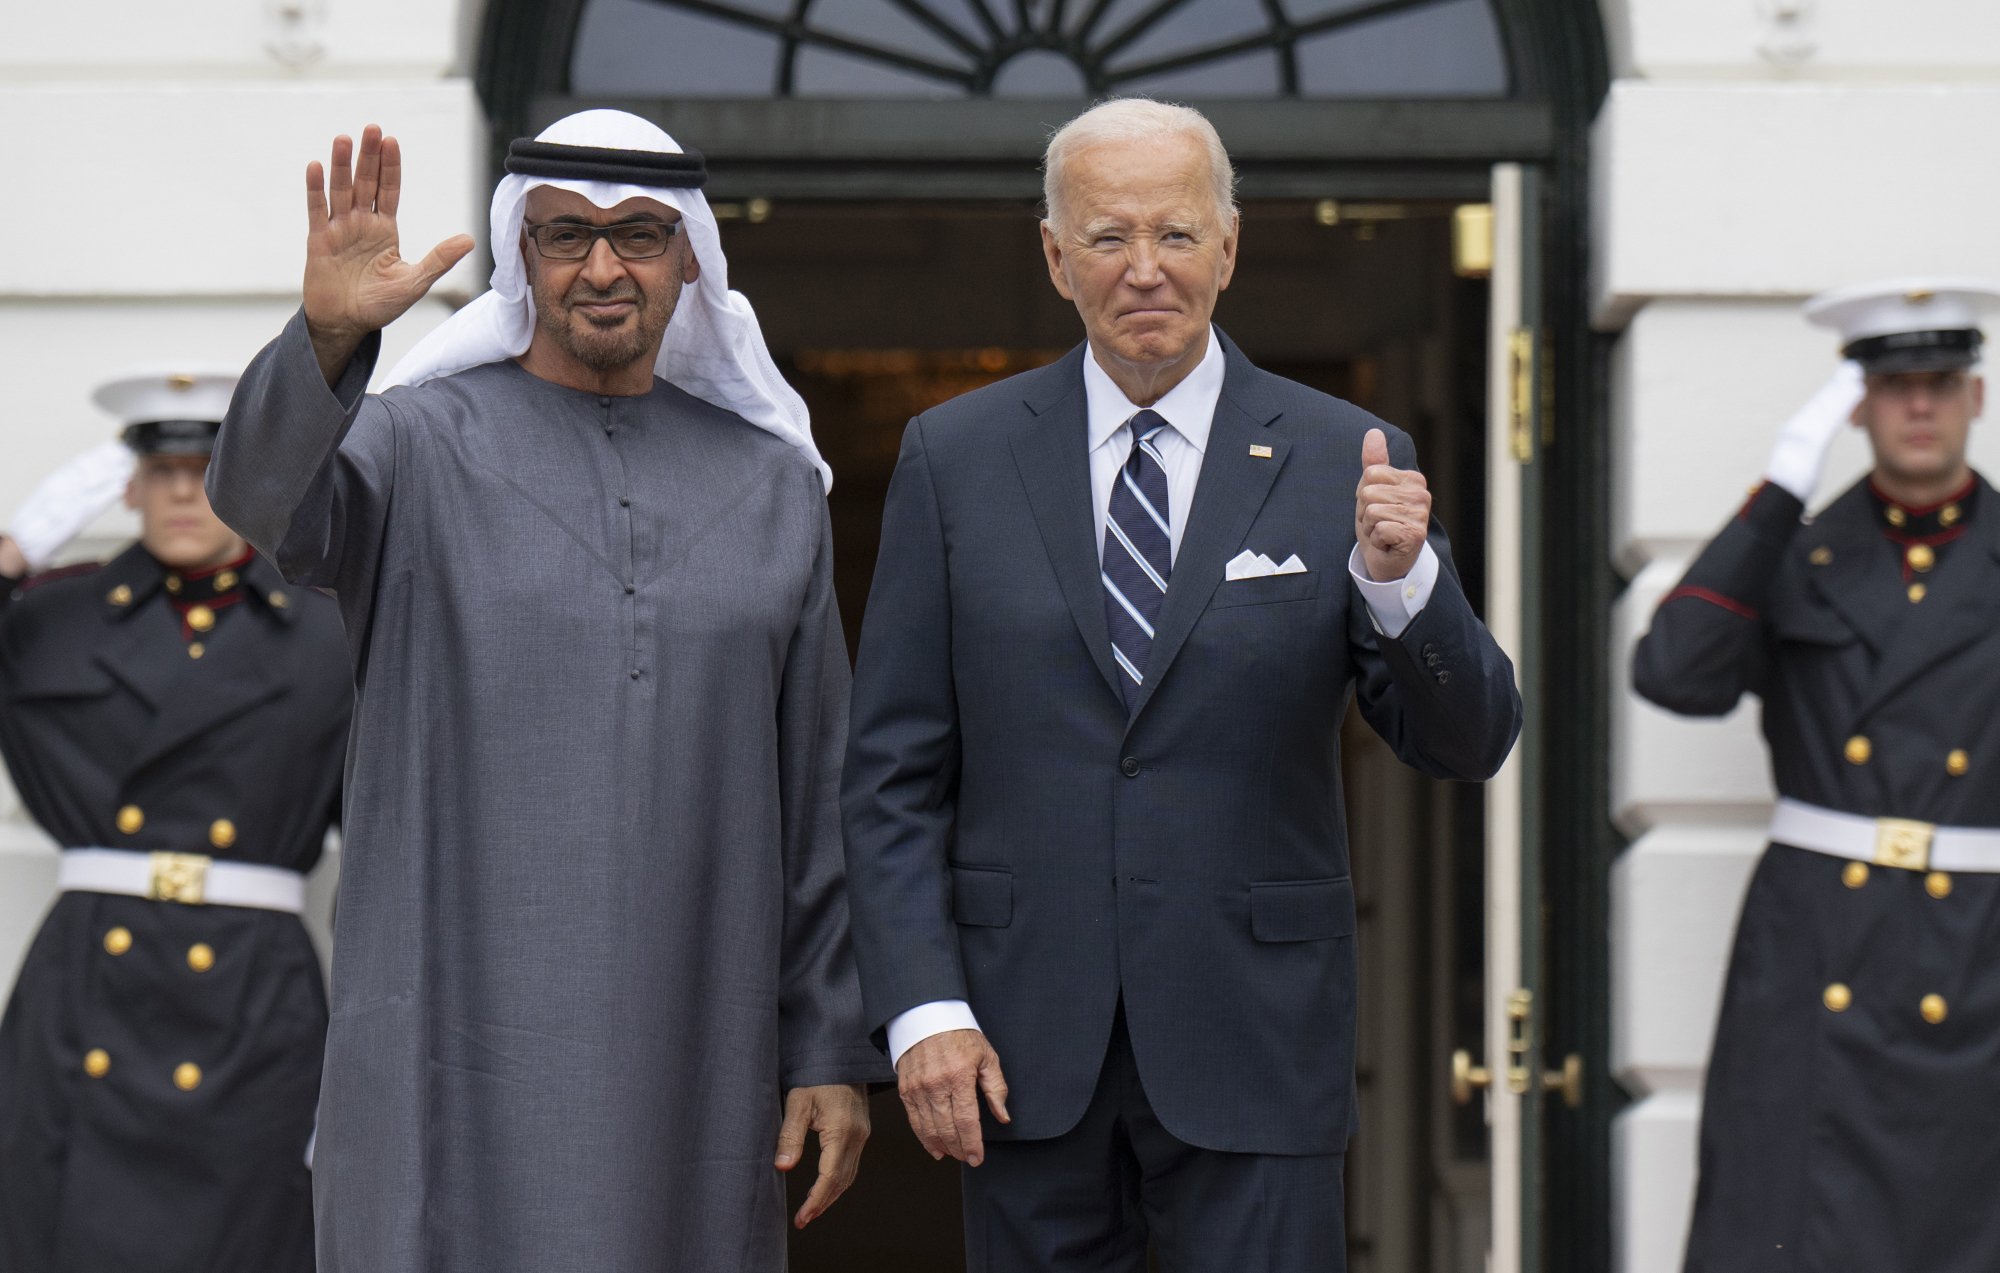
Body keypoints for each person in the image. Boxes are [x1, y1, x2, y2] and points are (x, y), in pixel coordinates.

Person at [840, 97, 1523, 1272]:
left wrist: (1401, 583)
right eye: (1107, 237)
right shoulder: (953, 458)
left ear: (1228, 247)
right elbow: (891, 774)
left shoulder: (1343, 456)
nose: (1143, 269)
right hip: (1013, 1048)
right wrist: (924, 1009)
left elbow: (1469, 740)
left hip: (1256, 1038)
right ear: (1054, 258)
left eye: (1174, 233)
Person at [204, 109, 883, 1273]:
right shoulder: (410, 446)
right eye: (566, 235)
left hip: (694, 1049)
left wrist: (828, 1044)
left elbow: (820, 793)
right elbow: (265, 502)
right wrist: (326, 340)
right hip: (442, 1041)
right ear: (522, 253)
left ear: (690, 258)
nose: (602, 268)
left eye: (639, 236)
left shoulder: (774, 487)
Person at [1633, 278, 2000, 1271]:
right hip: (1816, 944)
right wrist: (1778, 493)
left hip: (1976, 949)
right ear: (1855, 405)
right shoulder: (1800, 554)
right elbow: (1672, 672)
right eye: (1891, 385)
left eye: (1938, 382)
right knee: (1789, 1221)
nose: (1917, 405)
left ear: (1974, 396)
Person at [0, 369, 350, 1273]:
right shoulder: (52, 618)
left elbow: (388, 835)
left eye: (206, 471)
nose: (184, 493)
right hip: (88, 985)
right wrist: (9, 561)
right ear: (128, 487)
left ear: (249, 484)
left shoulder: (330, 634)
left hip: (253, 995)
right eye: (162, 472)